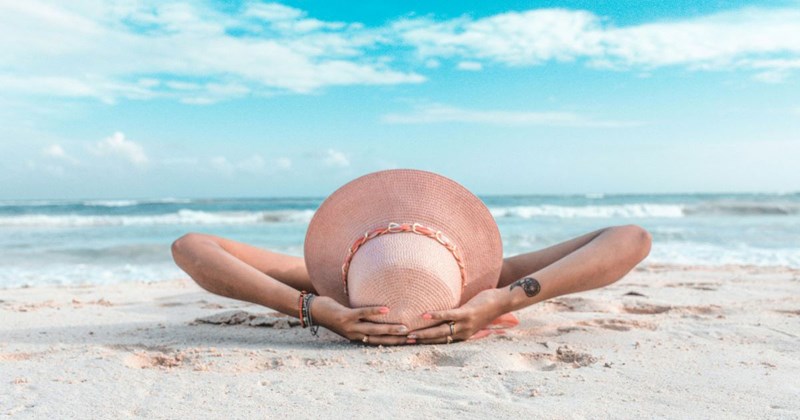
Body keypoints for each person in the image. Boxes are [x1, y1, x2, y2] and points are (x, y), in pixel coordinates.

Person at [171, 169, 651, 346]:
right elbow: (630, 237)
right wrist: (501, 300)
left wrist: (313, 307)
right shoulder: (488, 281)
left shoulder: (329, 285)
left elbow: (190, 246)